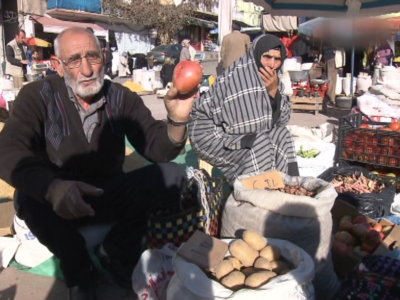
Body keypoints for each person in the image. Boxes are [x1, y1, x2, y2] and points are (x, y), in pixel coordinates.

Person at [0, 27, 197, 300]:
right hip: (56, 199)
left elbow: (158, 148)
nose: (87, 69)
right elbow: (9, 149)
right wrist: (53, 187)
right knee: (28, 196)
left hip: (105, 193)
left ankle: (114, 252)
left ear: (104, 57)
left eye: (92, 57)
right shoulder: (37, 96)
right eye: (74, 60)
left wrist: (177, 119)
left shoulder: (121, 97)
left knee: (172, 176)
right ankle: (80, 275)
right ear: (57, 65)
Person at [189, 34, 299, 183]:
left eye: (277, 59)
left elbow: (282, 121)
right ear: (256, 55)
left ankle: (290, 186)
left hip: (233, 131)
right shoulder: (239, 79)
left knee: (282, 135)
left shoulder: (273, 80)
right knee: (261, 143)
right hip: (209, 135)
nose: (271, 64)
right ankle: (256, 196)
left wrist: (274, 93)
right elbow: (244, 127)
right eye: (267, 57)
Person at [309, 40, 338, 104]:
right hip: (322, 58)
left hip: (332, 58)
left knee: (330, 78)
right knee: (312, 71)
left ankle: (330, 98)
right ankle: (316, 91)